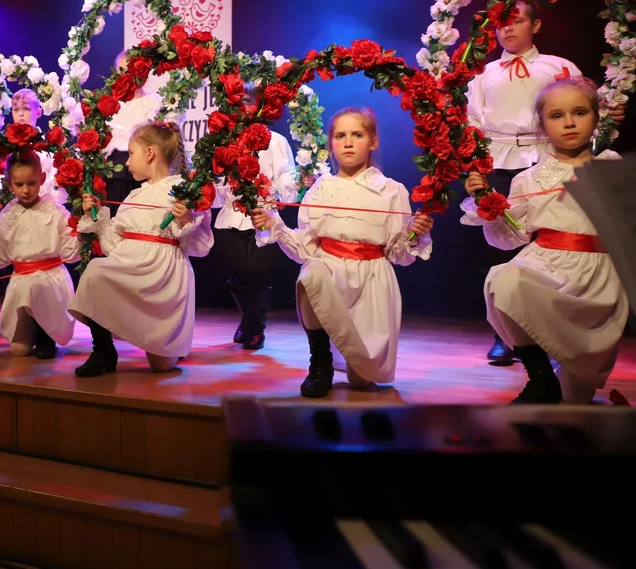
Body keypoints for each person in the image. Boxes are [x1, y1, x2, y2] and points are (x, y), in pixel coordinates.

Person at [463, 77, 627, 404]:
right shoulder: (529, 179)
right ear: (542, 125)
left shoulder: (611, 166)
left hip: (595, 280)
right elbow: (510, 239)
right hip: (545, 265)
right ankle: (539, 376)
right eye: (556, 115)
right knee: (504, 279)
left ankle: (562, 377)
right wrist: (488, 204)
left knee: (576, 400)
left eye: (579, 112)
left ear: (596, 119)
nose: (568, 122)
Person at [249, 107, 433, 397]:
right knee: (311, 276)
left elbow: (398, 253)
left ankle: (355, 359)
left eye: (357, 135)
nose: (348, 142)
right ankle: (319, 361)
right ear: (331, 145)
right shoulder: (320, 190)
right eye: (340, 136)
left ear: (373, 142)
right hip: (329, 268)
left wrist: (414, 234)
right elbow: (306, 250)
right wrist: (276, 225)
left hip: (370, 279)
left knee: (360, 380)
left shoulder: (390, 190)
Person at [69, 122, 214, 376]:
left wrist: (187, 220)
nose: (126, 163)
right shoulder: (134, 196)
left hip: (162, 277)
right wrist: (96, 216)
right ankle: (103, 350)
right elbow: (115, 247)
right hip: (132, 268)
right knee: (96, 271)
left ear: (149, 153)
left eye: (131, 154)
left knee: (161, 366)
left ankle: (164, 339)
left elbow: (201, 248)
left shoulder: (183, 190)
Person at [213, 83, 297, 350]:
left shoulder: (277, 141)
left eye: (249, 100)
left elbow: (289, 181)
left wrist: (269, 191)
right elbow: (214, 184)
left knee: (259, 274)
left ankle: (256, 328)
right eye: (239, 101)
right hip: (231, 217)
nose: (244, 107)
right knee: (237, 274)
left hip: (263, 217)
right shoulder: (225, 141)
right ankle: (249, 318)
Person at [0, 153, 80, 359]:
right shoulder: (8, 215)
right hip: (21, 279)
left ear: (42, 179)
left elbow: (70, 250)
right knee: (19, 351)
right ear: (10, 184)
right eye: (19, 184)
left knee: (36, 286)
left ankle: (46, 335)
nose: (26, 190)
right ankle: (29, 328)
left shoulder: (56, 211)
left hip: (49, 279)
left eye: (32, 183)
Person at [102, 51, 162, 216]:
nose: (126, 76)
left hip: (142, 171)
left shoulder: (153, 102)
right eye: (121, 71)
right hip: (114, 174)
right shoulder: (111, 105)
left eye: (131, 70)